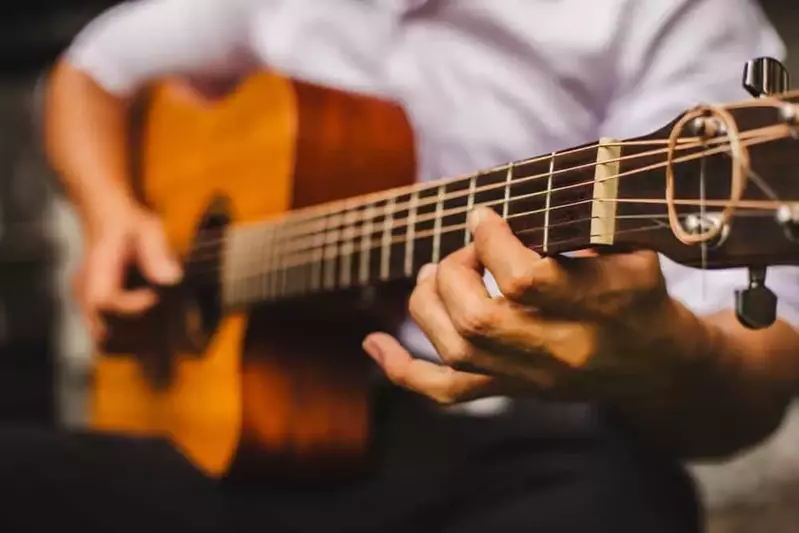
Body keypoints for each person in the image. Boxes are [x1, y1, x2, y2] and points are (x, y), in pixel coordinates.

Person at [7, 0, 796, 532]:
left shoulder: (676, 18)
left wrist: (664, 355)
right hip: (241, 428)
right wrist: (114, 215)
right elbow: (91, 72)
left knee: (624, 505)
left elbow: (754, 377)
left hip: (501, 449)